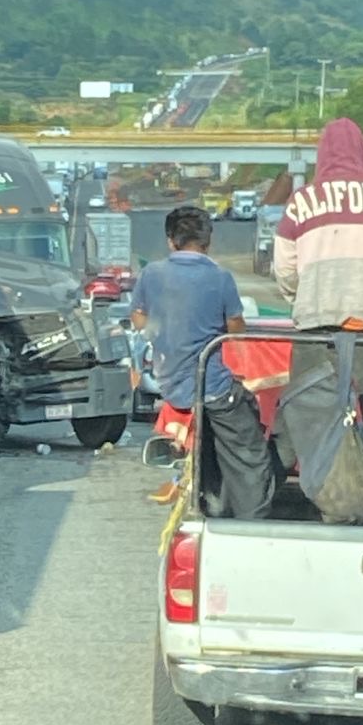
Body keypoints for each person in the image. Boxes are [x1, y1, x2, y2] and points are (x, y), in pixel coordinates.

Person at [273, 117, 363, 520]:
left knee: (304, 407)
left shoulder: (302, 202)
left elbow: (284, 266)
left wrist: (302, 297)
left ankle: (279, 491)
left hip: (317, 325)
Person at [131, 204, 274, 520]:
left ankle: (207, 501)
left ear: (171, 240)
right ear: (208, 242)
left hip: (171, 387)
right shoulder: (220, 277)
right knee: (250, 454)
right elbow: (236, 329)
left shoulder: (151, 274)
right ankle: (252, 524)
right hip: (214, 388)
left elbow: (139, 319)